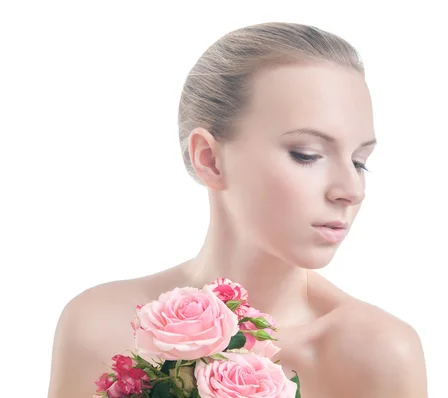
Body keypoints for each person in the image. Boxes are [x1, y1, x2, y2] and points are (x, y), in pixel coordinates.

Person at [47, 21, 428, 397]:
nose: (351, 190)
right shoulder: (97, 326)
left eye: (360, 161)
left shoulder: (382, 353)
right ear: (210, 158)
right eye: (307, 154)